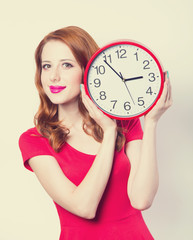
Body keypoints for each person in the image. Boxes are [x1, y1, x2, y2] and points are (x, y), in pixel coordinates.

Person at [19, 26, 172, 240]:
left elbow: (141, 200)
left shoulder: (126, 121)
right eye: (46, 66)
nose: (53, 76)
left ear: (87, 69)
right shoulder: (34, 140)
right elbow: (84, 207)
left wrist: (152, 122)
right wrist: (109, 133)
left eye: (67, 65)